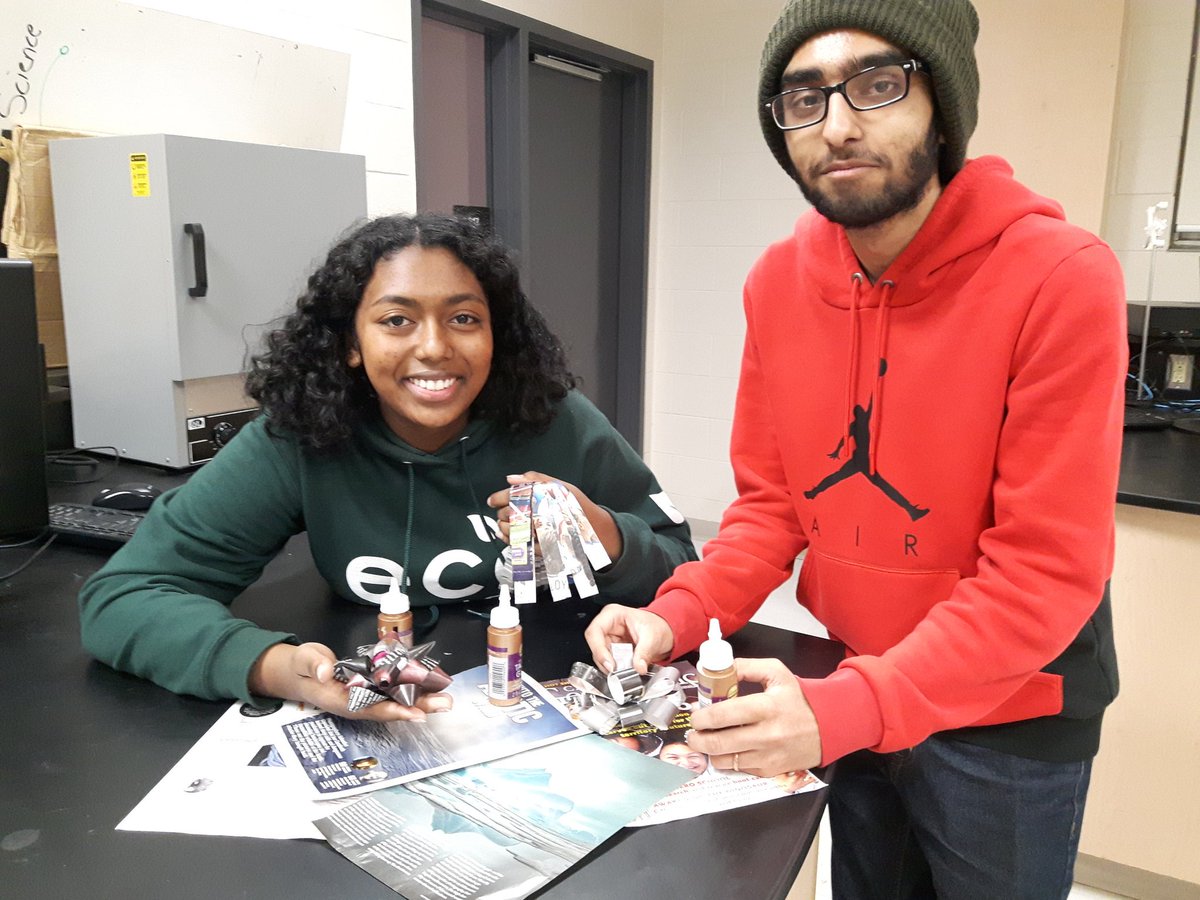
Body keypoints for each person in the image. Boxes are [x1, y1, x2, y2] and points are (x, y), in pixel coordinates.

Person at [584, 1, 1126, 896]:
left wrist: (846, 710)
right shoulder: (777, 283)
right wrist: (672, 615)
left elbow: (1044, 573)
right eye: (803, 99)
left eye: (877, 85)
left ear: (942, 104)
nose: (837, 126)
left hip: (1009, 719)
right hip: (853, 676)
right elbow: (772, 509)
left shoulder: (1060, 277)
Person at [79, 212, 696, 722]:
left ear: (495, 337)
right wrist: (280, 669)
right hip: (381, 716)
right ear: (350, 342)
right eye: (396, 320)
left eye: (464, 319)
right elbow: (124, 596)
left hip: (549, 705)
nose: (434, 346)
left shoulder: (558, 423)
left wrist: (606, 537)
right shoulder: (300, 437)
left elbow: (686, 571)